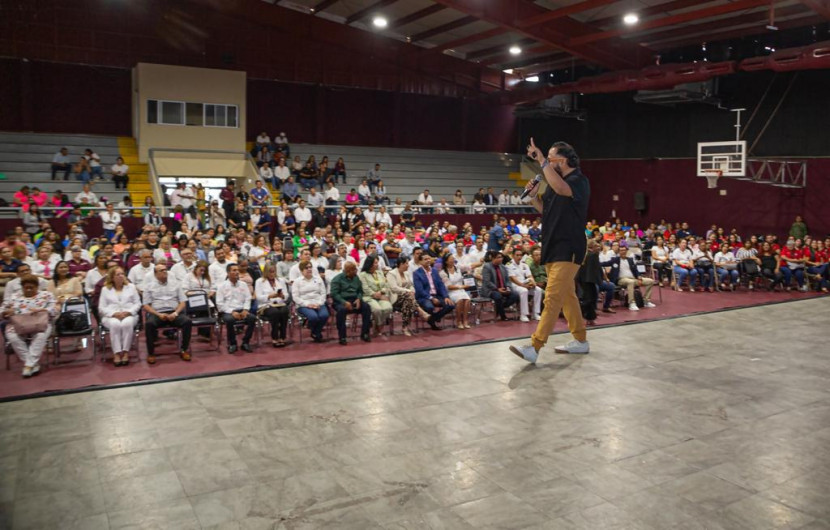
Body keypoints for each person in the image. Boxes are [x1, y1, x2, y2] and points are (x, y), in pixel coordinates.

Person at [511, 140, 590, 363]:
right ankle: (581, 341)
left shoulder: (579, 181)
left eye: (551, 158)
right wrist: (533, 196)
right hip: (552, 246)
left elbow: (562, 189)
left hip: (569, 247)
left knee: (553, 298)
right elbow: (545, 210)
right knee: (567, 296)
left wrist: (541, 161)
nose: (546, 162)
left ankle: (534, 346)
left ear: (562, 161)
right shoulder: (554, 185)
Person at [2, 275, 57, 377]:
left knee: (40, 336)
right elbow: (3, 310)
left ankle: (28, 365)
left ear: (37, 286)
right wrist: (6, 312)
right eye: (25, 287)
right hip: (19, 324)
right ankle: (32, 364)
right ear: (22, 287)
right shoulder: (15, 297)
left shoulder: (46, 295)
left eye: (31, 287)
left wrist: (42, 310)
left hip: (40, 324)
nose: (28, 290)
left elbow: (55, 310)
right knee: (12, 337)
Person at [142, 264, 192, 364]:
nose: (165, 271)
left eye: (165, 270)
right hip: (157, 313)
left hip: (174, 312)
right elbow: (146, 305)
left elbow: (183, 302)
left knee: (187, 321)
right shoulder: (149, 286)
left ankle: (184, 350)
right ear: (155, 274)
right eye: (161, 270)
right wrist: (158, 314)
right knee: (149, 324)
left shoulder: (176, 284)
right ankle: (151, 353)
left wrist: (176, 313)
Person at [98, 267, 141, 366]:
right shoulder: (105, 289)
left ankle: (126, 352)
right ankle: (116, 353)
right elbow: (101, 308)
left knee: (127, 323)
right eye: (118, 274)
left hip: (129, 314)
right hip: (111, 316)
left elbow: (138, 304)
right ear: (112, 277)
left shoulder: (131, 287)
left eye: (122, 274)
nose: (121, 276)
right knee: (115, 324)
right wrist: (113, 314)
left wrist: (129, 312)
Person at [216, 263, 257, 353]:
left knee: (252, 318)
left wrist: (246, 309)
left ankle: (245, 342)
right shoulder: (221, 286)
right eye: (234, 270)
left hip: (242, 309)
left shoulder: (243, 284)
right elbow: (219, 304)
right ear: (228, 273)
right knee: (230, 320)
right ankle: (232, 343)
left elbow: (248, 298)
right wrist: (232, 312)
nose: (237, 272)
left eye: (237, 270)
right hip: (227, 311)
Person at [601, 246, 656, 310]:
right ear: (619, 252)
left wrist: (639, 276)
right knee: (630, 282)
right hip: (621, 280)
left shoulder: (630, 260)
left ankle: (646, 300)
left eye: (624, 250)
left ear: (626, 251)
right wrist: (595, 263)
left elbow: (635, 270)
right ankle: (631, 303)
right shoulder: (615, 260)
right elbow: (604, 264)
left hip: (633, 279)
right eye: (621, 250)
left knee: (650, 281)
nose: (623, 252)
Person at [330, 261, 372, 344]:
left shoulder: (356, 278)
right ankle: (342, 337)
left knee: (366, 307)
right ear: (348, 271)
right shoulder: (337, 279)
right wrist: (344, 302)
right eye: (354, 270)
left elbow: (360, 291)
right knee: (341, 311)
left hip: (354, 300)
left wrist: (359, 299)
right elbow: (334, 294)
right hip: (340, 301)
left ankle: (365, 333)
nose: (356, 271)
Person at [413, 254, 454, 330]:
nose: (428, 260)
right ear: (420, 262)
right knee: (429, 307)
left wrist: (446, 296)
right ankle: (434, 322)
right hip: (425, 297)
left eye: (429, 258)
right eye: (425, 259)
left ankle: (432, 319)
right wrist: (431, 298)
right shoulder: (417, 273)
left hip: (437, 295)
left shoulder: (434, 271)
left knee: (450, 305)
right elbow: (420, 290)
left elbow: (441, 285)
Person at [291, 261, 329, 342]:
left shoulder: (318, 279)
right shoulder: (297, 281)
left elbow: (323, 293)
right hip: (303, 304)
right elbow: (295, 297)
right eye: (306, 268)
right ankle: (316, 332)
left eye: (310, 267)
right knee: (313, 317)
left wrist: (319, 303)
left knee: (324, 315)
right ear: (301, 270)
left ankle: (315, 332)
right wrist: (308, 304)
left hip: (318, 302)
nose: (309, 269)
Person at [255, 263, 290, 347]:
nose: (272, 274)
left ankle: (282, 336)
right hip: (265, 305)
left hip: (279, 303)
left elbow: (286, 294)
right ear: (266, 272)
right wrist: (269, 296)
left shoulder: (281, 280)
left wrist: (282, 296)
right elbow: (258, 297)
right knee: (275, 313)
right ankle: (275, 337)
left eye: (273, 272)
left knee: (285, 311)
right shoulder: (259, 281)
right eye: (270, 272)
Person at [359, 255, 393, 337]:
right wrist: (375, 294)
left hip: (381, 295)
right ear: (370, 264)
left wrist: (381, 292)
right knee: (377, 309)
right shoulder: (363, 274)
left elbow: (386, 285)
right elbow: (365, 289)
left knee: (388, 308)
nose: (377, 264)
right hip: (368, 297)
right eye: (375, 263)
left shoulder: (380, 272)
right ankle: (379, 326)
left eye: (377, 263)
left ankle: (377, 325)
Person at [506, 247, 543, 322]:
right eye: (517, 255)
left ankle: (535, 313)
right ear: (513, 255)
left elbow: (530, 276)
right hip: (514, 285)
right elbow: (513, 279)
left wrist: (533, 283)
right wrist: (523, 286)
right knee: (524, 291)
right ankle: (523, 315)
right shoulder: (509, 265)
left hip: (524, 283)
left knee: (538, 290)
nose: (519, 257)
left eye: (521, 255)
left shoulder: (524, 265)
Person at [481, 251, 519, 321]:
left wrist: (508, 287)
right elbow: (487, 282)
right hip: (490, 290)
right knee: (498, 296)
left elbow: (507, 280)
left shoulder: (503, 267)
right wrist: (497, 289)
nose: (501, 259)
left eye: (501, 257)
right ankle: (503, 315)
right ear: (492, 258)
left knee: (515, 295)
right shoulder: (487, 267)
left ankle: (500, 307)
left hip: (503, 288)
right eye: (498, 257)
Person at [439, 254, 471, 329]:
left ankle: (465, 320)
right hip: (451, 292)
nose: (453, 260)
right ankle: (458, 321)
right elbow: (449, 287)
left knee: (467, 300)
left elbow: (469, 267)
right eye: (451, 259)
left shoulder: (458, 267)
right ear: (446, 261)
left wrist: (469, 271)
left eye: (453, 258)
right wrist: (462, 286)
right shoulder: (443, 272)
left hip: (461, 291)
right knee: (459, 301)